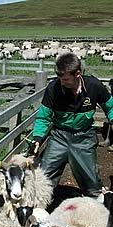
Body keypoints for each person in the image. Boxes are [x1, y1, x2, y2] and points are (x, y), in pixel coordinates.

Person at [32, 53, 113, 197]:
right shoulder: (53, 88)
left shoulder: (93, 86)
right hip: (59, 137)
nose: (62, 82)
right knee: (43, 178)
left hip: (84, 137)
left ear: (77, 74)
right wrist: (37, 138)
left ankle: (96, 210)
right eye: (60, 79)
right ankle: (36, 211)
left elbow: (110, 107)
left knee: (92, 182)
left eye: (66, 79)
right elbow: (43, 117)